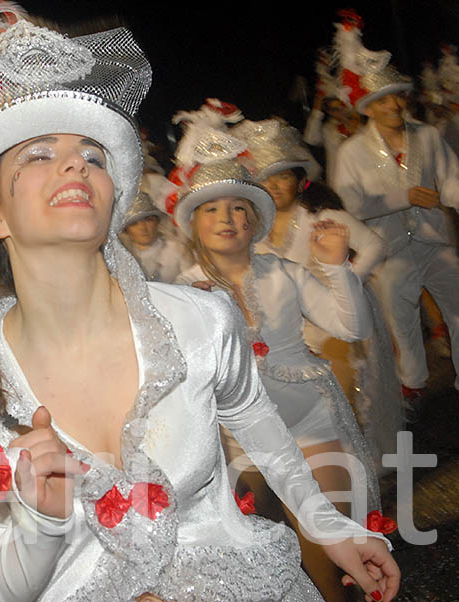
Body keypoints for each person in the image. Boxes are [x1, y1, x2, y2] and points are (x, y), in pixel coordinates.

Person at [0, 4, 399, 601]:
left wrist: (330, 527)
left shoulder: (198, 320)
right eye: (38, 153)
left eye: (92, 155)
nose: (74, 162)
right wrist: (40, 524)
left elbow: (260, 428)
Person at [171, 104, 390, 601]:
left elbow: (350, 326)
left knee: (327, 530)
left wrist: (338, 269)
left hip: (312, 421)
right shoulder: (182, 294)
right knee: (270, 550)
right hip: (236, 441)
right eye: (212, 209)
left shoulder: (285, 273)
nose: (226, 218)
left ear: (254, 221)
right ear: (195, 223)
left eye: (238, 208)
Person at [232, 118, 403, 465]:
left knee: (348, 395)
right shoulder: (255, 227)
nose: (274, 186)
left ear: (299, 180)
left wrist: (342, 278)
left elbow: (373, 246)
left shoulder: (319, 214)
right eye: (265, 178)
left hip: (338, 317)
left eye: (282, 176)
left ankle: (360, 468)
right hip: (294, 329)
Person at [331, 14, 459, 407]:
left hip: (435, 239)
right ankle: (414, 384)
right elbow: (349, 206)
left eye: (398, 97)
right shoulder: (352, 152)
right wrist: (404, 197)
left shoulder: (429, 135)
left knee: (458, 308)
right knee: (402, 322)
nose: (393, 105)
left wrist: (450, 196)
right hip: (390, 250)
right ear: (367, 106)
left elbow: (451, 178)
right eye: (383, 100)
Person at [118, 191, 192, 283]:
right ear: (126, 230)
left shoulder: (178, 249)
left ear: (157, 222)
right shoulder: (120, 257)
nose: (143, 228)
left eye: (149, 220)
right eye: (134, 224)